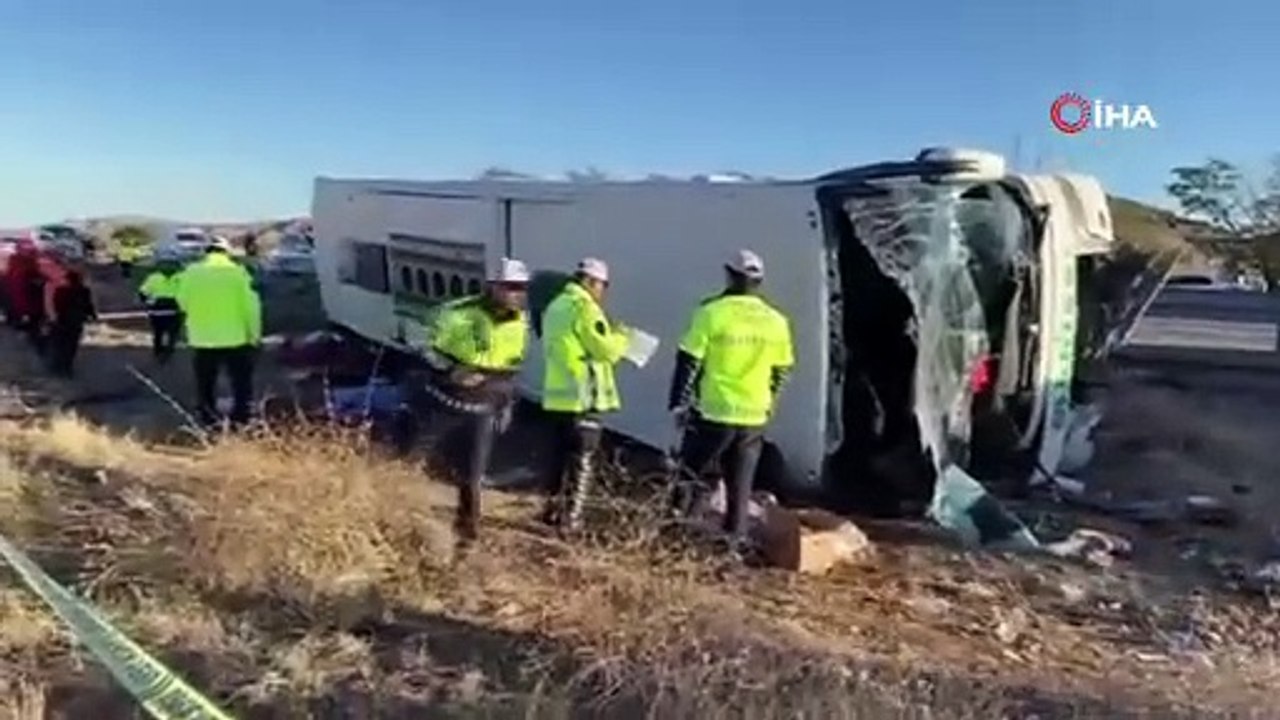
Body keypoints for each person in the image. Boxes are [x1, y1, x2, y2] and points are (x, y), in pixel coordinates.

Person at [667, 249, 795, 551]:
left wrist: (679, 403)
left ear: (729, 275)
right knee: (741, 487)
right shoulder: (776, 320)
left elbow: (689, 362)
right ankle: (732, 549)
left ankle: (679, 538)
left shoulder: (711, 312)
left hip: (715, 411)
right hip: (753, 416)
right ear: (759, 281)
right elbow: (783, 369)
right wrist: (769, 402)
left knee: (691, 474)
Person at [409, 258, 530, 547]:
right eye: (511, 287)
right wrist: (451, 369)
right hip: (446, 402)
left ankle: (468, 535)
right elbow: (420, 342)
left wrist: (507, 400)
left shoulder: (520, 321)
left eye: (522, 288)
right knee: (412, 460)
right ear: (493, 287)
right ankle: (400, 515)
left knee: (473, 474)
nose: (518, 294)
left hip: (485, 406)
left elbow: (511, 366)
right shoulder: (458, 313)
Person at [537, 257, 632, 532]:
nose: (603, 292)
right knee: (582, 461)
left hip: (558, 397)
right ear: (591, 281)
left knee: (557, 458)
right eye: (603, 285)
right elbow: (606, 351)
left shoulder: (556, 305)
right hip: (584, 397)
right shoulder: (585, 308)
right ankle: (571, 521)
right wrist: (623, 337)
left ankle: (551, 512)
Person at [174, 237, 262, 429]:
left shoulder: (191, 273)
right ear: (227, 252)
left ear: (206, 252)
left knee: (205, 382)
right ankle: (241, 419)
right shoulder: (238, 273)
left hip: (202, 339)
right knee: (241, 382)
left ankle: (207, 418)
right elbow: (251, 308)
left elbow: (182, 302)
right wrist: (254, 335)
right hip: (236, 338)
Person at [46, 270, 97, 377]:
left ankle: (57, 367)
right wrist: (92, 316)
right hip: (76, 321)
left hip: (62, 321)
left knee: (60, 345)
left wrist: (53, 318)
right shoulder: (84, 290)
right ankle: (67, 367)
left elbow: (56, 305)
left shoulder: (60, 290)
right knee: (71, 346)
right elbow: (88, 305)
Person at [137, 253, 184, 363]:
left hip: (157, 310)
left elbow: (143, 293)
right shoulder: (182, 277)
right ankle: (169, 350)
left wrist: (147, 303)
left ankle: (158, 351)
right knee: (173, 333)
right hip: (175, 310)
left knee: (158, 332)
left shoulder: (153, 278)